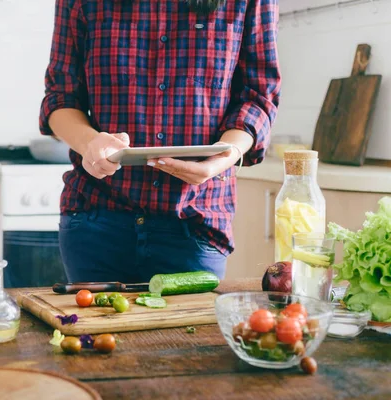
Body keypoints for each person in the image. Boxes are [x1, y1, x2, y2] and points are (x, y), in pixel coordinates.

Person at [39, 0, 281, 282]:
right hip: (96, 221)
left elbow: (258, 97)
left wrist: (223, 157)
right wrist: (91, 144)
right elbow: (60, 98)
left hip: (195, 223)